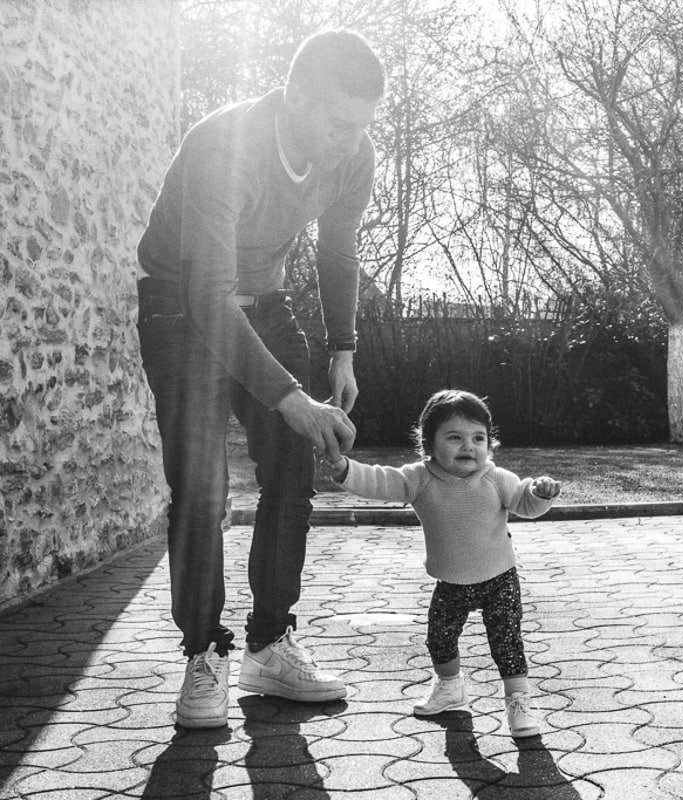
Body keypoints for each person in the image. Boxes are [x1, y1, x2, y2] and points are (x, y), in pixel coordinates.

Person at [135, 29, 386, 728]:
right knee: (201, 483)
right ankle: (202, 656)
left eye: (362, 125)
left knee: (290, 473)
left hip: (264, 303)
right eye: (338, 122)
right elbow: (206, 297)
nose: (349, 140)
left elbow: (340, 247)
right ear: (294, 94)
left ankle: (270, 644)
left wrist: (343, 350)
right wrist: (288, 398)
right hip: (180, 306)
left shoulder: (353, 154)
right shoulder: (226, 147)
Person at [328, 389, 561, 738]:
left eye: (478, 438)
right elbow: (379, 480)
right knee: (439, 638)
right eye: (455, 438)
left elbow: (524, 504)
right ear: (429, 445)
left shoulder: (498, 479)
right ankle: (451, 688)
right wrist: (345, 469)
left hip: (499, 578)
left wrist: (540, 495)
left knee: (507, 641)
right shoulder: (418, 478)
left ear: (489, 444)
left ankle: (518, 701)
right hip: (450, 581)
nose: (468, 446)